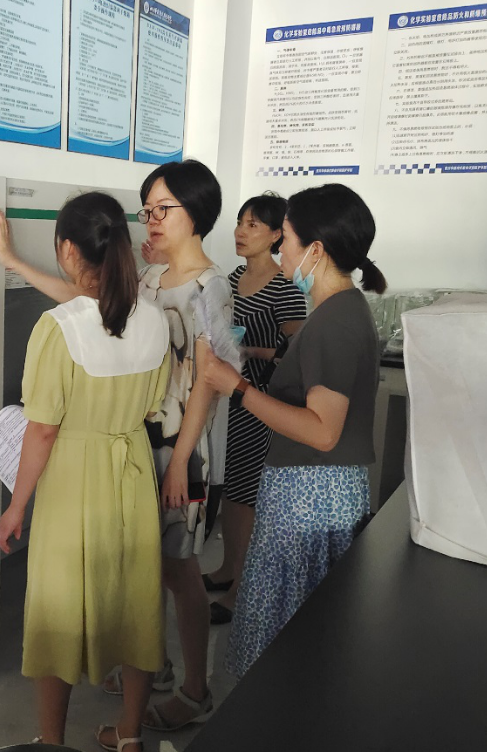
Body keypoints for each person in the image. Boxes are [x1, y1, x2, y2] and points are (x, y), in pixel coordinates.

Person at [0, 160, 233, 733]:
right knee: (138, 580)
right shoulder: (148, 283)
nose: (152, 219)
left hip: (174, 450)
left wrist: (179, 461)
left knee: (174, 571)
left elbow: (209, 380)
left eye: (163, 209)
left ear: (195, 213)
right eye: (146, 210)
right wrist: (16, 264)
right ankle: (141, 695)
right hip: (135, 446)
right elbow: (89, 304)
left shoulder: (211, 287)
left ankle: (193, 689)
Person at [0, 191, 171, 751]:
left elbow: (42, 430)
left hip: (74, 477)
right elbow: (152, 408)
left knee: (59, 602)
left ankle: (51, 741)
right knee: (138, 602)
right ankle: (131, 735)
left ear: (68, 250)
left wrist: (16, 505)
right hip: (133, 470)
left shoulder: (57, 328)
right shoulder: (153, 319)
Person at [202, 183, 387, 679]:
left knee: (289, 639)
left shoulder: (334, 322)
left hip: (311, 494)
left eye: (284, 237)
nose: (280, 247)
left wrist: (236, 387)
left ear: (316, 250)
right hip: (312, 488)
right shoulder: (337, 311)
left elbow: (323, 431)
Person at [202, 194, 307, 625]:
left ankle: (242, 588)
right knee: (230, 489)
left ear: (277, 234)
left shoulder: (285, 286)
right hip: (228, 400)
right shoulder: (230, 279)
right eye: (240, 223)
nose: (240, 232)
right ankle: (228, 568)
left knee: (247, 495)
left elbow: (296, 352)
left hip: (260, 401)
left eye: (253, 225)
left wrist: (249, 351)